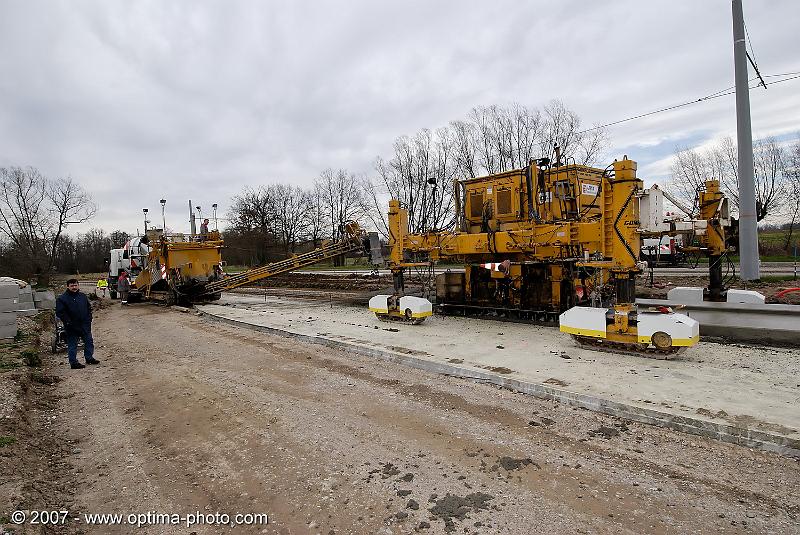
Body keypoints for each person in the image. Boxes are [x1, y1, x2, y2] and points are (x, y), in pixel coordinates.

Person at [55, 278, 100, 369]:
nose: (74, 287)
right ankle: (73, 362)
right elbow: (60, 313)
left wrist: (89, 320)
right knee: (72, 345)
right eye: (72, 286)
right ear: (68, 286)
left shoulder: (82, 296)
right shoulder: (62, 299)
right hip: (71, 326)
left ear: (78, 285)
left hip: (84, 324)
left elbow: (88, 309)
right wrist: (69, 323)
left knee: (89, 341)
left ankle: (89, 358)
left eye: (75, 285)